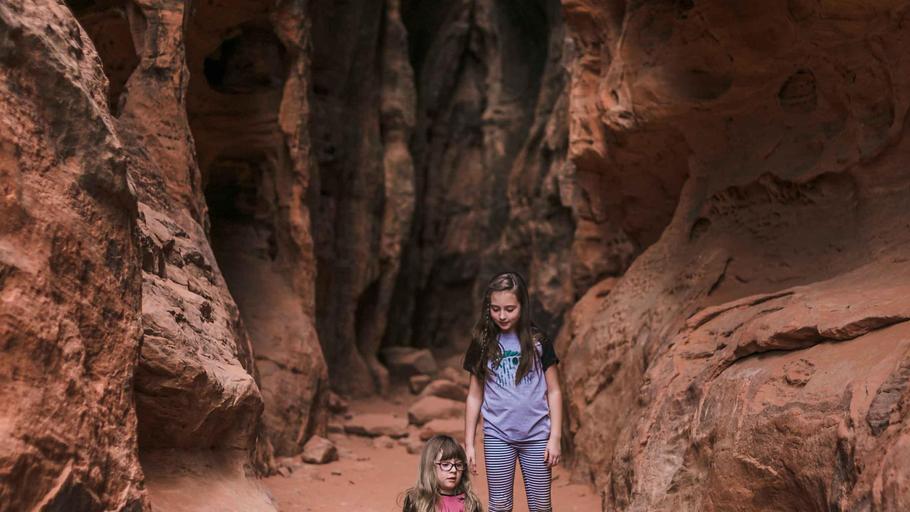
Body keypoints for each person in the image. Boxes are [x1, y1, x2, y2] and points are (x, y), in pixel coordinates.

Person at [463, 272, 562, 512]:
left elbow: (554, 391)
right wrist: (469, 443)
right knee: (499, 504)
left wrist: (555, 437)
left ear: (522, 306)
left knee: (540, 506)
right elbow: (475, 395)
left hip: (537, 435)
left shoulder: (538, 341)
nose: (502, 316)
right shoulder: (483, 342)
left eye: (510, 309)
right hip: (498, 435)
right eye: (495, 309)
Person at [401, 435, 484, 512]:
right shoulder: (416, 500)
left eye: (458, 465)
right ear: (430, 466)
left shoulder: (470, 503)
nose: (454, 470)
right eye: (445, 465)